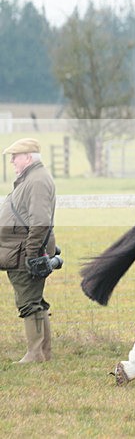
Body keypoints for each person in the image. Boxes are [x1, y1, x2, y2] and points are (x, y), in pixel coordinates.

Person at [0, 138, 57, 363]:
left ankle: (35, 354)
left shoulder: (37, 181)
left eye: (16, 156)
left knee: (29, 303)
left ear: (28, 157)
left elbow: (41, 221)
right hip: (19, 250)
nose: (12, 160)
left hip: (23, 252)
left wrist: (32, 255)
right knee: (35, 301)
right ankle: (43, 352)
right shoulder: (33, 178)